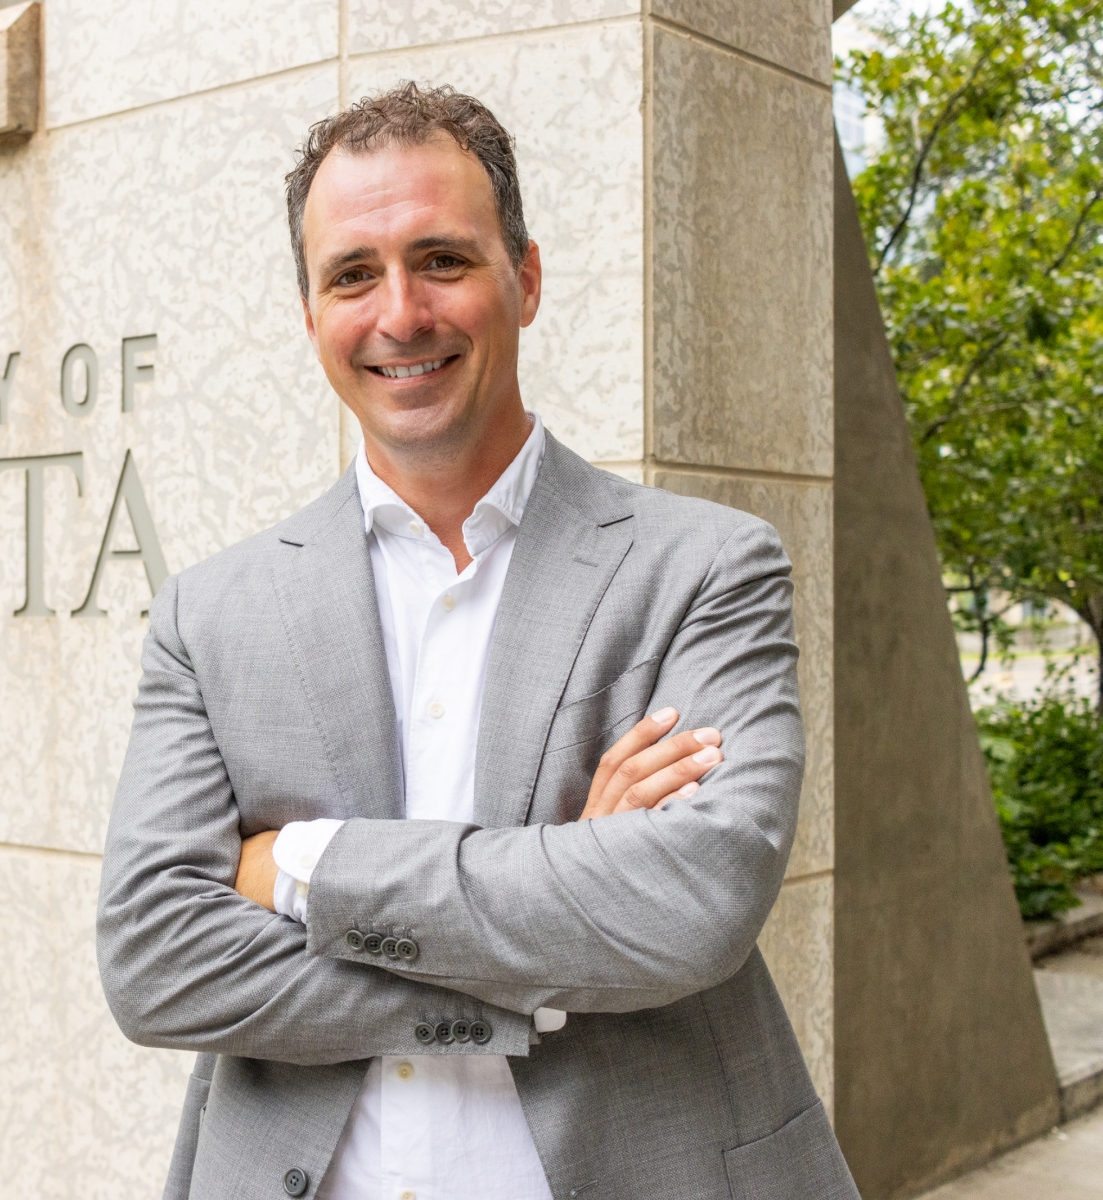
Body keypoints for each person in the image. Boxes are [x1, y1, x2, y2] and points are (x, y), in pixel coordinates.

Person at [96, 82, 858, 1200]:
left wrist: (301, 867)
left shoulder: (705, 567)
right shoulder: (210, 615)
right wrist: (555, 913)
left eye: (442, 259)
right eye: (353, 273)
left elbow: (692, 905)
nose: (400, 312)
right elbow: (156, 962)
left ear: (527, 279)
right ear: (311, 314)